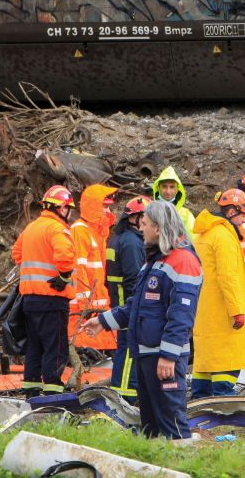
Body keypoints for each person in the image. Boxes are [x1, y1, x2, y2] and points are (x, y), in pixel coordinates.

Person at [83, 201, 201, 440]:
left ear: (158, 228)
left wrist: (168, 355)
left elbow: (181, 315)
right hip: (147, 354)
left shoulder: (183, 261)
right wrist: (104, 321)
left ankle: (184, 466)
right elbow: (137, 306)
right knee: (151, 426)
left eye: (145, 224)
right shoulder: (155, 261)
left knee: (173, 424)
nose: (141, 229)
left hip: (164, 357)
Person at [191, 189, 245, 398]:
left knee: (206, 361)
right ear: (232, 211)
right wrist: (237, 310)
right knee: (228, 359)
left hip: (204, 310)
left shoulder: (201, 235)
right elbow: (228, 276)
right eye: (243, 214)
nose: (244, 220)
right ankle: (223, 405)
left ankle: (199, 404)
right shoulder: (223, 236)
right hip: (223, 310)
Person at [11, 185, 77, 395]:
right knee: (54, 347)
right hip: (52, 298)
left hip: (29, 300)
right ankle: (53, 392)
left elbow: (17, 253)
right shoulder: (57, 228)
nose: (68, 213)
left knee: (34, 347)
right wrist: (64, 277)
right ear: (61, 208)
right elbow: (66, 258)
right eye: (68, 208)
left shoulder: (31, 228)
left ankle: (31, 389)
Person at [105, 195, 150, 402]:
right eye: (145, 218)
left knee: (125, 349)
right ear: (134, 218)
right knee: (130, 351)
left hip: (120, 301)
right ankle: (125, 397)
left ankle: (125, 394)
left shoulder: (119, 238)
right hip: (128, 304)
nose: (147, 222)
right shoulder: (132, 243)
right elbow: (134, 278)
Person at [68, 184, 118, 351]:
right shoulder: (80, 231)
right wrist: (85, 303)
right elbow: (77, 270)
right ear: (93, 206)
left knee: (100, 347)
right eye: (104, 206)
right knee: (84, 347)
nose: (107, 211)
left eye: (108, 206)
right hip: (83, 307)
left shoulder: (98, 232)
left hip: (96, 303)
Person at [151, 166, 195, 236]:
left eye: (172, 187)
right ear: (158, 188)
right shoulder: (151, 212)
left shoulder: (186, 215)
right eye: (164, 186)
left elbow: (193, 240)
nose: (168, 191)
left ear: (178, 189)